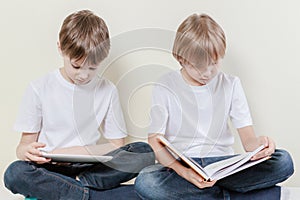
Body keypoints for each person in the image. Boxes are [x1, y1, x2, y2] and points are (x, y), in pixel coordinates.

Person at [134, 13, 294, 199]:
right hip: (184, 166)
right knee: (146, 182)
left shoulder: (231, 84)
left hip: (224, 166)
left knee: (283, 161)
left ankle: (208, 194)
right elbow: (155, 141)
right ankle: (238, 195)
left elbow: (249, 142)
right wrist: (183, 172)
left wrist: (263, 145)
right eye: (198, 66)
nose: (207, 73)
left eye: (214, 63)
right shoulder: (165, 86)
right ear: (181, 59)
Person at [4, 10, 154, 200]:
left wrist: (77, 153)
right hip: (50, 168)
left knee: (143, 152)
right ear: (60, 48)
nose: (84, 75)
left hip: (89, 170)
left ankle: (72, 190)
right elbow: (23, 147)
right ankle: (92, 195)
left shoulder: (107, 90)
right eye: (76, 66)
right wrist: (28, 152)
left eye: (92, 68)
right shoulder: (39, 88)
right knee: (15, 173)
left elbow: (116, 145)